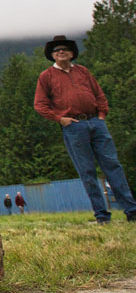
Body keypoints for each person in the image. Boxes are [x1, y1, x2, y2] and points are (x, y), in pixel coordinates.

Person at [34, 35, 136, 224]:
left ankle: (131, 210)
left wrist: (102, 115)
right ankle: (102, 215)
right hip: (74, 127)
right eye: (57, 50)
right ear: (52, 55)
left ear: (72, 53)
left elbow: (99, 94)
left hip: (96, 123)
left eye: (64, 48)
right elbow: (40, 105)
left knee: (113, 166)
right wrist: (60, 119)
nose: (61, 51)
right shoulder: (46, 76)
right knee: (87, 171)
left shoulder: (83, 72)